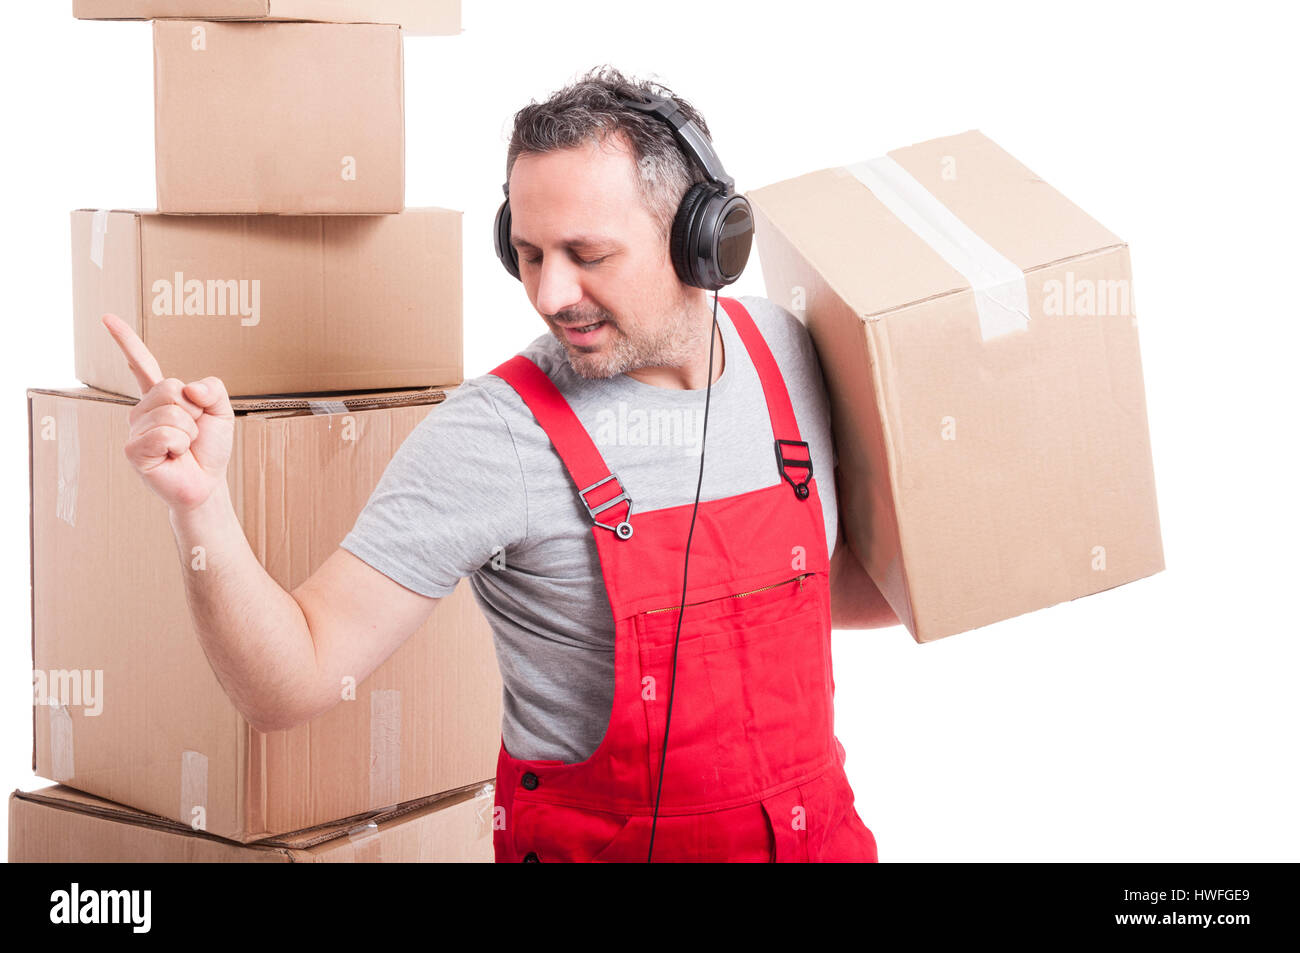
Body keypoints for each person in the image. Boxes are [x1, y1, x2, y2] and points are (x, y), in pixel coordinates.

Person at [104, 65, 898, 863]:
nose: (552, 294)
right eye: (527, 253)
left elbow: (828, 584)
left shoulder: (792, 356)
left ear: (703, 240)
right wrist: (199, 506)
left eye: (588, 253)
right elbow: (290, 681)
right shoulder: (495, 436)